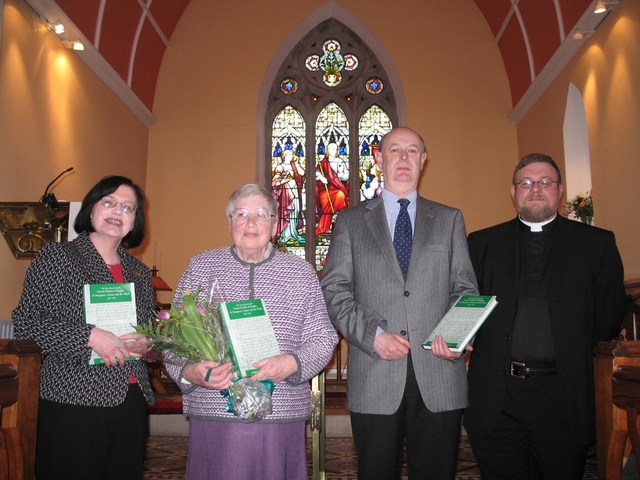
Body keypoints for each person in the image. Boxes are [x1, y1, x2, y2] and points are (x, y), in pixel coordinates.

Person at [321, 126, 478, 479]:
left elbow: (465, 288)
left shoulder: (449, 219)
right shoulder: (350, 222)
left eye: (412, 151)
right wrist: (373, 335)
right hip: (375, 374)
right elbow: (334, 290)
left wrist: (457, 337)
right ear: (379, 159)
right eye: (395, 150)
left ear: (423, 161)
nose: (403, 158)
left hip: (439, 372)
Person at [464, 153, 627, 479]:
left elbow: (608, 315)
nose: (535, 189)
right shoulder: (482, 243)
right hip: (498, 395)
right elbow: (467, 303)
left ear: (560, 191)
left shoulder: (596, 244)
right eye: (526, 182)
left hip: (562, 394)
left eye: (545, 182)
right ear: (513, 192)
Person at [164, 183, 338, 480]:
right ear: (229, 222)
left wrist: (292, 364)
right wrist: (190, 372)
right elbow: (171, 337)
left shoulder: (301, 272)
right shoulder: (201, 266)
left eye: (260, 214)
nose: (251, 223)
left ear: (275, 223)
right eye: (241, 214)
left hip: (280, 411)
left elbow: (323, 338)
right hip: (214, 410)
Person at [13, 175, 156, 480]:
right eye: (109, 203)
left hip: (130, 397)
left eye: (128, 208)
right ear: (91, 210)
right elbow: (27, 321)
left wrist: (147, 343)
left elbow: (149, 332)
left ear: (135, 221)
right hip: (73, 399)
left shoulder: (139, 271)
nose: (118, 212)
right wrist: (89, 336)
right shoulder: (58, 257)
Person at [272, 148, 305, 244]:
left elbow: (303, 173)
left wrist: (297, 164)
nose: (292, 156)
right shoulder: (280, 167)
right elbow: (274, 182)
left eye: (292, 154)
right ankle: (286, 235)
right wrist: (284, 180)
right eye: (290, 154)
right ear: (285, 156)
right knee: (287, 213)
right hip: (285, 194)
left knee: (296, 211)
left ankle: (293, 233)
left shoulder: (294, 166)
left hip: (294, 191)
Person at [315, 142, 349, 236]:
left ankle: (337, 221)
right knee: (325, 198)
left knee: (340, 195)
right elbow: (316, 172)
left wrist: (341, 175)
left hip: (338, 187)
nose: (335, 151)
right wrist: (321, 177)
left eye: (336, 149)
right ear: (328, 150)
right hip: (325, 189)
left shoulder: (340, 161)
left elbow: (347, 175)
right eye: (332, 149)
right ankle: (327, 225)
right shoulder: (323, 162)